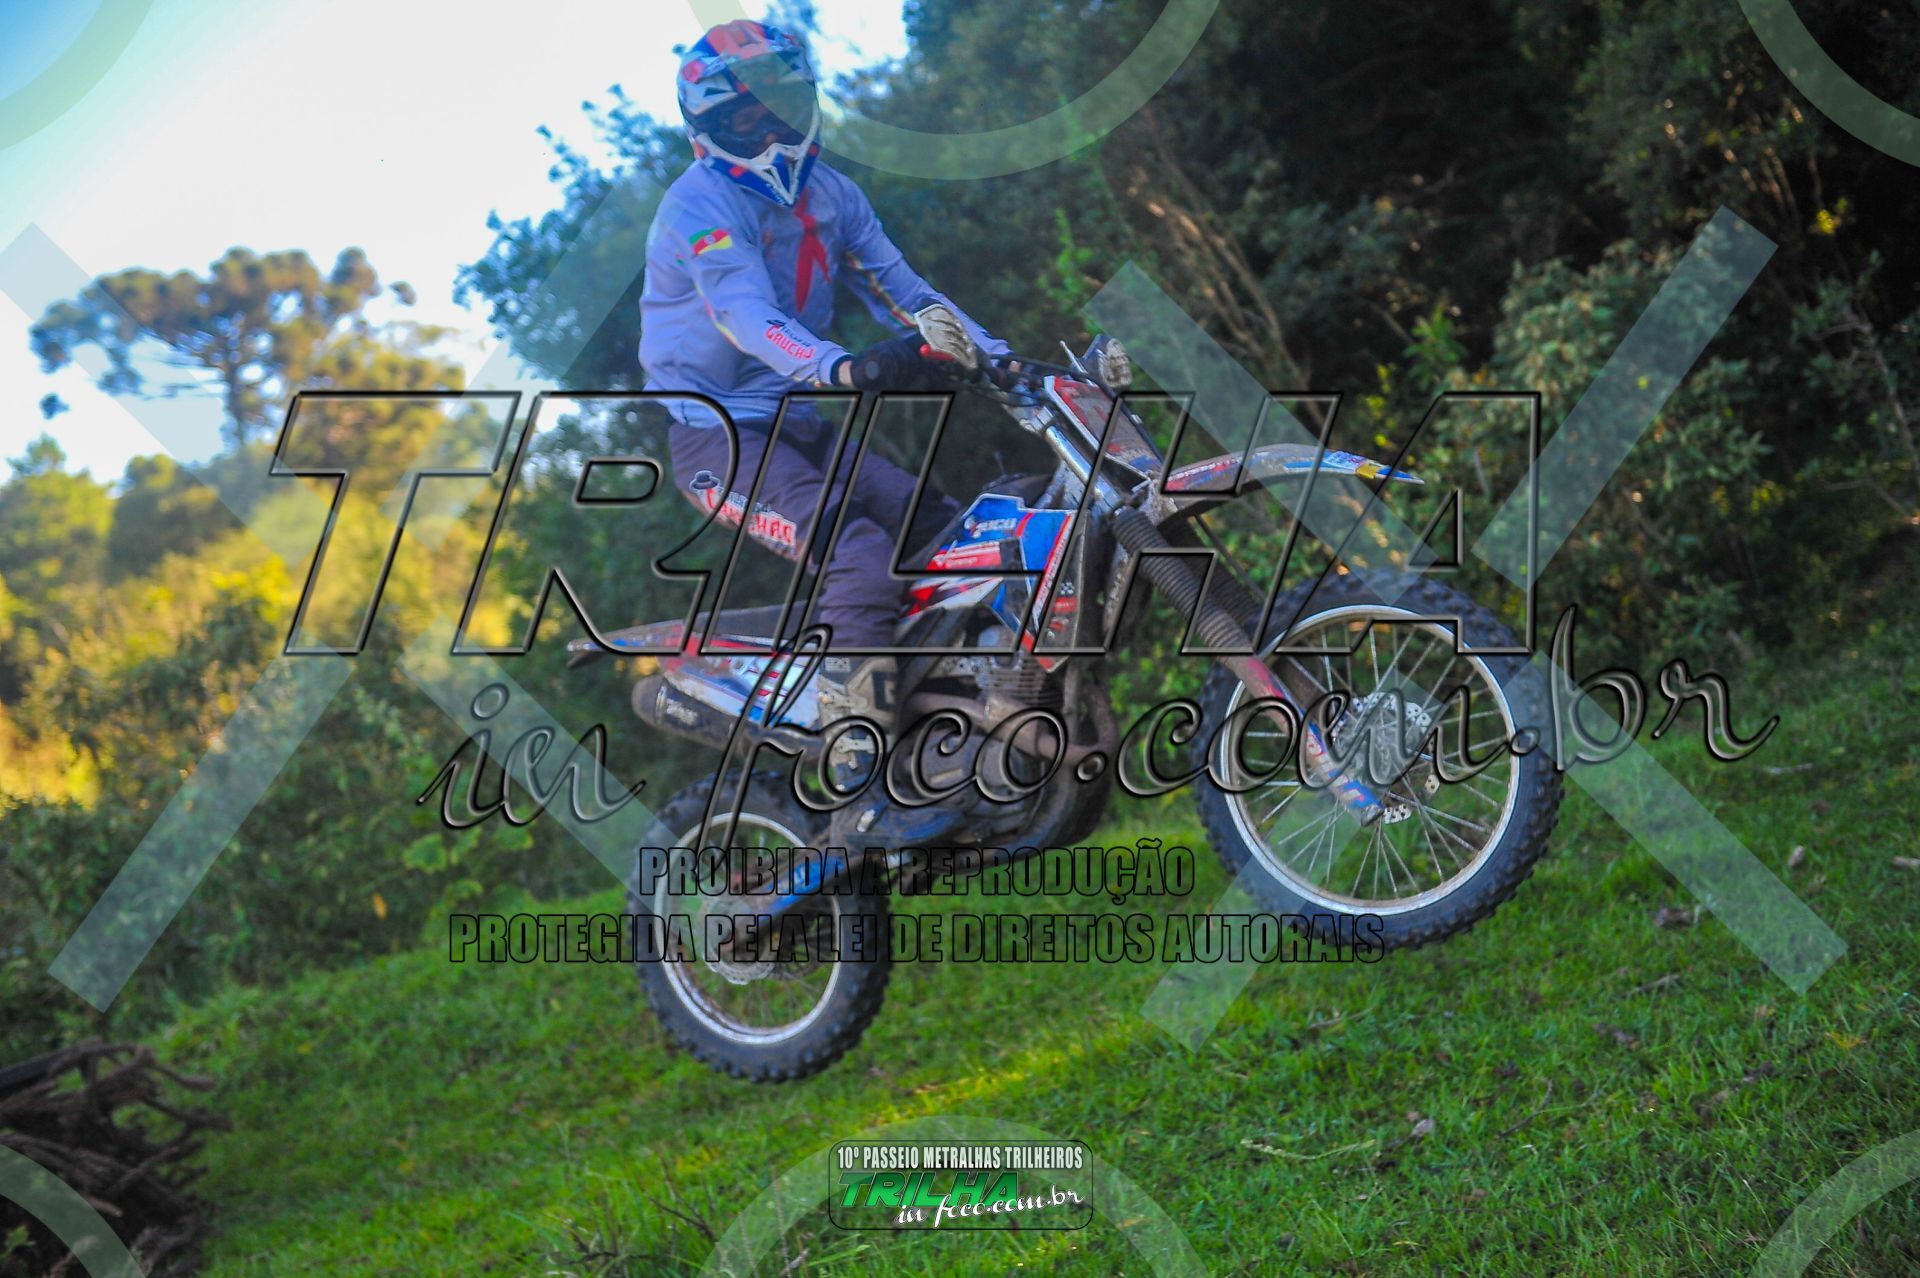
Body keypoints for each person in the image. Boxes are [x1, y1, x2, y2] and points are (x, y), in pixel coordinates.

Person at [640, 19, 1009, 846]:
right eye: (744, 118)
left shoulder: (834, 195)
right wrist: (839, 367)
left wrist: (1003, 359)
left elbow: (909, 294)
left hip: (797, 423)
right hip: (719, 441)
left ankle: (946, 724)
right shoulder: (698, 205)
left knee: (946, 532)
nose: (767, 127)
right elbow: (743, 314)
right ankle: (855, 768)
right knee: (859, 553)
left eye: (777, 105)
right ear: (706, 128)